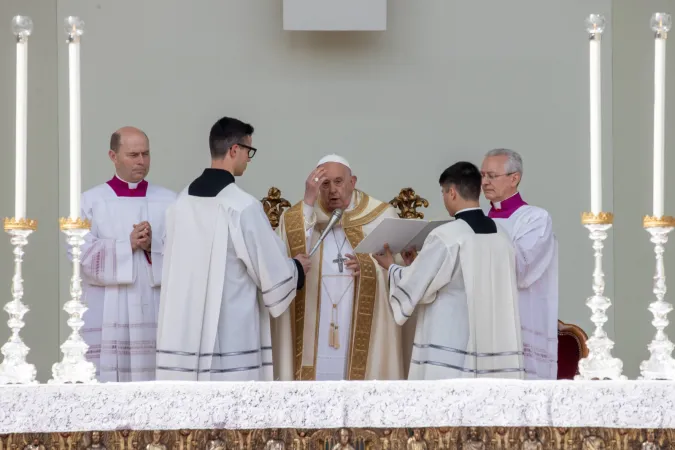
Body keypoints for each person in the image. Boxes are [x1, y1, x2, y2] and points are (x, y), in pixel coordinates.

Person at [155, 116, 310, 381]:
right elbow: (270, 270)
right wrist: (297, 268)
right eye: (249, 151)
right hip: (230, 337)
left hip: (182, 334)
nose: (249, 159)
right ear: (234, 150)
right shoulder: (241, 206)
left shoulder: (179, 204)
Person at [373, 161, 525, 380]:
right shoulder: (501, 235)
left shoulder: (446, 236)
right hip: (495, 343)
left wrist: (392, 267)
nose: (444, 198)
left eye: (444, 193)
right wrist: (418, 263)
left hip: (452, 341)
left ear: (452, 192)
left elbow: (417, 287)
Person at [273, 154, 407, 380]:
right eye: (324, 184)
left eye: (338, 181)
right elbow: (284, 260)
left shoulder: (381, 217)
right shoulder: (302, 217)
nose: (332, 190)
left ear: (352, 182)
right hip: (315, 321)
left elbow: (400, 273)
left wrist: (369, 267)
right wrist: (307, 200)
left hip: (357, 322)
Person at [79, 126, 176, 382]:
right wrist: (127, 245)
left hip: (153, 308)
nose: (141, 161)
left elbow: (185, 256)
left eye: (145, 154)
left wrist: (153, 246)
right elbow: (80, 254)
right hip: (109, 310)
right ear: (113, 156)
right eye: (133, 155)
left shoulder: (169, 201)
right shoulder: (90, 201)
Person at [481, 148, 558, 380]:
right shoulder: (481, 220)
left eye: (491, 176)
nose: (484, 182)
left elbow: (521, 270)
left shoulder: (535, 218)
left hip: (522, 319)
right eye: (482, 176)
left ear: (514, 178)